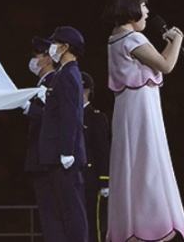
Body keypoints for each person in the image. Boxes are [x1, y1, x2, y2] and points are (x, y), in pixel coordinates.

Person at [103, 0, 184, 242]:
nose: (147, 12)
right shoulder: (133, 38)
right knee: (147, 159)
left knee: (132, 163)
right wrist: (178, 39)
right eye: (143, 6)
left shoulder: (115, 37)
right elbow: (166, 65)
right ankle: (151, 226)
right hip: (140, 110)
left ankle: (132, 225)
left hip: (129, 108)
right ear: (129, 8)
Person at [36, 26, 88, 242]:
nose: (52, 48)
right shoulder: (63, 74)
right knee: (62, 209)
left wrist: (67, 150)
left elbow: (71, 116)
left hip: (64, 155)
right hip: (57, 154)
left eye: (55, 43)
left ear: (65, 47)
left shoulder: (68, 74)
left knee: (71, 209)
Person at [20, 36, 62, 239]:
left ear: (47, 58)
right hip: (40, 157)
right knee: (47, 212)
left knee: (52, 212)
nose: (33, 59)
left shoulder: (54, 81)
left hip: (47, 158)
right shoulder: (42, 83)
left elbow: (56, 116)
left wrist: (30, 109)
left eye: (37, 55)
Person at [80, 72, 110, 242]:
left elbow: (102, 150)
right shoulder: (70, 115)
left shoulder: (96, 117)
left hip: (92, 179)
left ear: (87, 91)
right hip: (75, 178)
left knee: (95, 224)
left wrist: (104, 180)